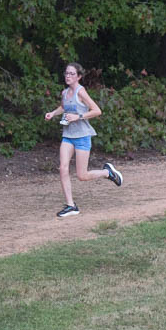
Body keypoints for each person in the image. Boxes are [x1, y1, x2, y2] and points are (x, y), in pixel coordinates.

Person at [43, 62, 122, 218]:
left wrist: (78, 116)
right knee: (63, 168)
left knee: (82, 176)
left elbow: (97, 111)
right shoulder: (65, 93)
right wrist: (53, 113)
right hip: (68, 135)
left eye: (72, 74)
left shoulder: (81, 92)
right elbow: (64, 107)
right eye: (66, 73)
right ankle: (71, 205)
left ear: (78, 76)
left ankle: (108, 173)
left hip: (82, 136)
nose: (68, 76)